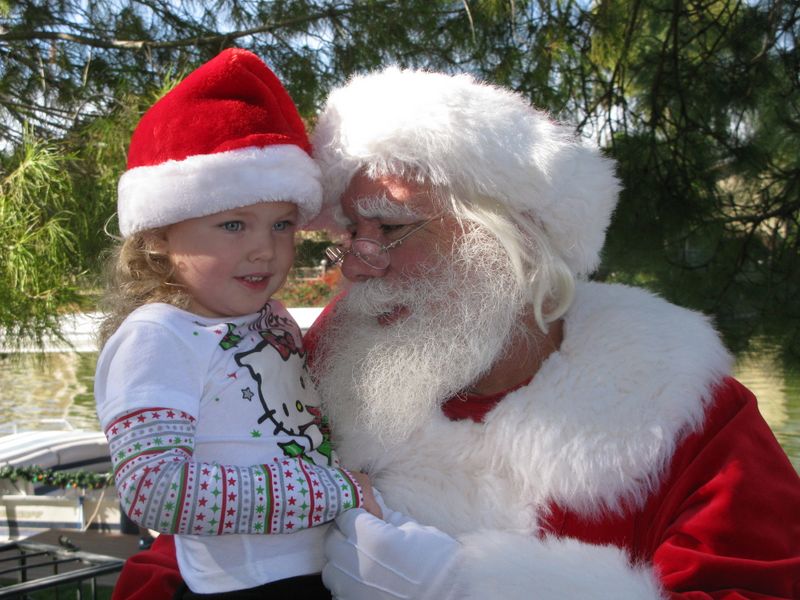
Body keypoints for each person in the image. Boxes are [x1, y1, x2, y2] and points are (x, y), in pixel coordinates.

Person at [107, 66, 800, 599]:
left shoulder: (686, 412)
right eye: (351, 232)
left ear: (512, 239)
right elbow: (180, 554)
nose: (359, 263)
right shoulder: (320, 362)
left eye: (391, 227)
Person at [94, 48, 378, 600]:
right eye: (232, 224)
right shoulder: (156, 338)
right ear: (156, 234)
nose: (265, 250)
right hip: (249, 586)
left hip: (332, 566)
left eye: (281, 224)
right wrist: (330, 491)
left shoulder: (270, 318)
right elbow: (154, 490)